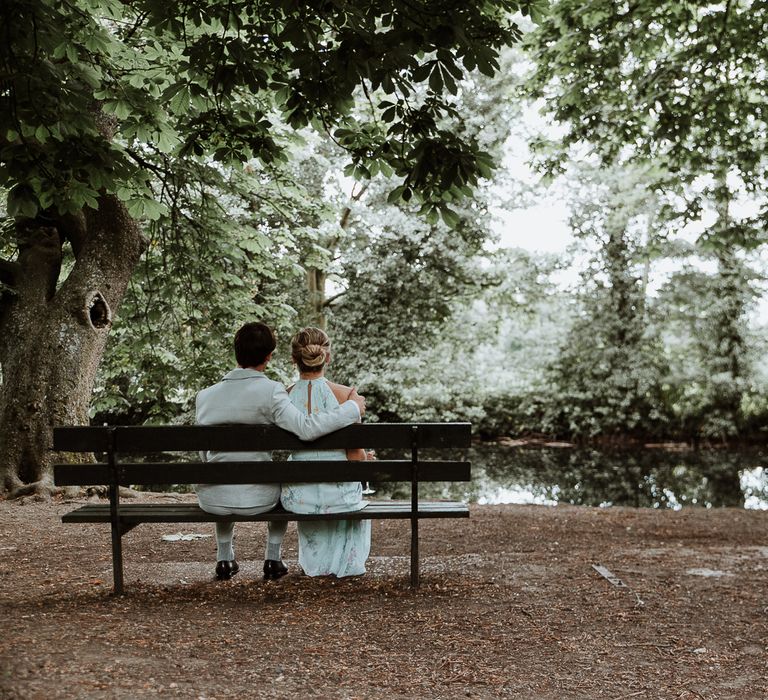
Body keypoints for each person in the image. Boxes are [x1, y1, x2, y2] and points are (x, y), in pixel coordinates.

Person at [195, 322, 366, 582]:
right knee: (279, 483)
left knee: (223, 471)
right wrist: (352, 409)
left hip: (213, 498)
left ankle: (224, 558)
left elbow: (204, 453)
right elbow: (307, 429)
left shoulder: (204, 396)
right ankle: (272, 558)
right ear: (269, 356)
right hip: (259, 499)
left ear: (236, 353)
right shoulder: (273, 391)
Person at [280, 327, 372, 577]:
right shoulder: (347, 398)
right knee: (343, 488)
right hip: (340, 497)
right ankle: (345, 562)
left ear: (294, 360)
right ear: (327, 357)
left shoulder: (284, 398)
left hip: (299, 497)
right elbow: (355, 456)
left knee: (315, 486)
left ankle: (315, 563)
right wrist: (366, 458)